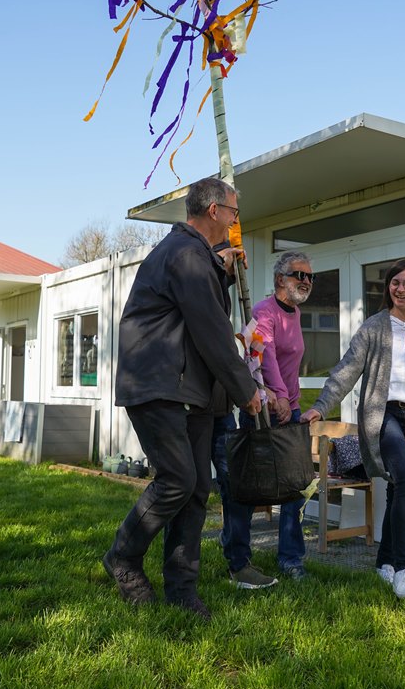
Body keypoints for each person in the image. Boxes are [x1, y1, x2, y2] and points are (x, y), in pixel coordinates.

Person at [102, 177, 262, 620]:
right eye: (233, 212)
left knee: (196, 489)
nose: (235, 221)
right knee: (177, 480)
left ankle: (182, 589)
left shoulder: (194, 257)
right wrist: (246, 391)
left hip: (188, 390)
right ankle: (123, 558)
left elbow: (195, 314)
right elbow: (210, 331)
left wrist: (220, 273)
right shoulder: (187, 255)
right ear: (214, 212)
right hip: (160, 386)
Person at [302, 259, 405, 600]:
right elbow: (346, 370)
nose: (400, 289)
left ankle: (384, 564)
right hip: (383, 416)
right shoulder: (374, 327)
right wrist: (320, 406)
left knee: (399, 487)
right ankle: (404, 569)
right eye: (395, 282)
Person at [220, 251, 315, 586]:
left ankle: (290, 558)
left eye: (308, 276)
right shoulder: (263, 311)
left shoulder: (297, 313)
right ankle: (236, 551)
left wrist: (293, 400)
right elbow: (266, 356)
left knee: (295, 485)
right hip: (265, 407)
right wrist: (279, 397)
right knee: (249, 486)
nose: (304, 281)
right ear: (279, 280)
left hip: (290, 406)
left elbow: (292, 365)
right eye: (297, 275)